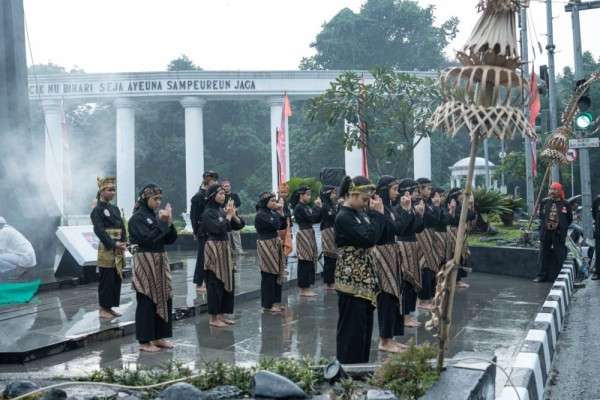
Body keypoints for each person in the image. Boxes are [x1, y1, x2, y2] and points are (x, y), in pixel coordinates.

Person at [335, 176, 385, 364]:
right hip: (351, 280)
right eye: (364, 199)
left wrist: (376, 217)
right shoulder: (344, 216)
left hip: (365, 278)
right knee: (352, 330)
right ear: (352, 194)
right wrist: (377, 216)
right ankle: (348, 370)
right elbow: (368, 239)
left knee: (364, 329)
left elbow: (375, 235)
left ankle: (361, 368)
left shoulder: (359, 214)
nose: (366, 204)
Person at [129, 184, 178, 352]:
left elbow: (169, 239)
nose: (158, 202)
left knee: (164, 296)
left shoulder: (156, 216)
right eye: (154, 199)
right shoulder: (137, 218)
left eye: (159, 199)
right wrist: (162, 224)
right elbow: (148, 239)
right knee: (147, 298)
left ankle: (159, 337)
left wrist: (169, 223)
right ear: (145, 198)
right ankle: (144, 341)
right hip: (145, 260)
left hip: (160, 260)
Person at [371, 176, 411, 353]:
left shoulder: (390, 209)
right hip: (382, 254)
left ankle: (391, 338)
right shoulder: (376, 209)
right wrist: (381, 214)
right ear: (385, 190)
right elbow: (385, 230)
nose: (397, 193)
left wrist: (406, 210)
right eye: (394, 189)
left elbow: (400, 229)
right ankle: (384, 340)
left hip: (393, 252)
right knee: (386, 297)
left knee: (395, 297)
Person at [202, 183, 245, 327]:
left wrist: (233, 216)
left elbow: (237, 226)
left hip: (225, 248)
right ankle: (213, 318)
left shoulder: (221, 210)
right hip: (214, 248)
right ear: (212, 196)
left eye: (223, 194)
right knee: (214, 282)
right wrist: (227, 217)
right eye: (220, 194)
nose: (223, 196)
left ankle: (222, 314)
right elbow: (217, 228)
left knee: (227, 281)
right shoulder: (208, 213)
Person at [90, 176, 127, 319]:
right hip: (107, 248)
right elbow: (99, 230)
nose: (113, 193)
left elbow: (122, 226)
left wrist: (124, 241)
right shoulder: (97, 210)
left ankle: (110, 307)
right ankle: (103, 308)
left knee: (116, 278)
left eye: (114, 190)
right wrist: (113, 244)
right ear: (101, 191)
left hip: (118, 248)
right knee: (106, 279)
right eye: (110, 190)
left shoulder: (114, 208)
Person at [396, 178, 425, 328]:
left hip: (413, 245)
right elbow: (402, 228)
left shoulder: (412, 207)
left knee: (413, 283)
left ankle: (409, 314)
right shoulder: (398, 208)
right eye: (414, 191)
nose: (416, 194)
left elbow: (418, 229)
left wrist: (419, 214)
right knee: (406, 283)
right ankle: (404, 316)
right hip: (402, 245)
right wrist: (408, 211)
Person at [415, 179, 448, 311]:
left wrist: (436, 207)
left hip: (430, 235)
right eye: (427, 188)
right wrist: (435, 207)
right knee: (425, 267)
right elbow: (430, 219)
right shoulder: (418, 203)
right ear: (420, 189)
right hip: (421, 236)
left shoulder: (428, 203)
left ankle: (429, 297)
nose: (429, 191)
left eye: (430, 188)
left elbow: (438, 219)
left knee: (431, 266)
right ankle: (423, 299)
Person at [533, 182, 573, 283]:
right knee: (543, 255)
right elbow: (542, 216)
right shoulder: (545, 202)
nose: (552, 191)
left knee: (560, 255)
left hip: (558, 233)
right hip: (546, 232)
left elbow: (569, 219)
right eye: (551, 189)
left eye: (555, 189)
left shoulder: (566, 204)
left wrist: (562, 227)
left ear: (560, 191)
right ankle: (541, 276)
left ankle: (561, 277)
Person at [255, 191, 287, 313]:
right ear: (265, 202)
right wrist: (278, 216)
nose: (275, 203)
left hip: (275, 243)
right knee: (269, 274)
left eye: (275, 200)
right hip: (266, 244)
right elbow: (276, 225)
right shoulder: (261, 215)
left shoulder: (272, 213)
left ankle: (276, 301)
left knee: (278, 273)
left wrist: (281, 212)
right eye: (272, 201)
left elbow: (282, 225)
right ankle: (268, 304)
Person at [190, 170, 219, 293]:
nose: (215, 182)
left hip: (213, 230)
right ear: (208, 180)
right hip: (203, 231)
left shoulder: (212, 195)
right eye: (213, 180)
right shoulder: (198, 197)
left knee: (210, 257)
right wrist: (196, 231)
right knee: (202, 257)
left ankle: (209, 281)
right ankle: (198, 282)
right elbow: (194, 216)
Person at [292, 185, 322, 297]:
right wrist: (317, 207)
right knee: (304, 260)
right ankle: (303, 288)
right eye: (308, 195)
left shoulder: (306, 206)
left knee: (310, 260)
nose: (309, 197)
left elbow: (316, 219)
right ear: (301, 195)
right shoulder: (299, 207)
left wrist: (318, 209)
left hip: (309, 232)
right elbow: (311, 218)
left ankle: (307, 287)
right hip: (304, 233)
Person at [446, 188, 476, 289]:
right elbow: (470, 215)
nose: (463, 196)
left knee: (461, 256)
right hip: (455, 233)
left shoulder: (460, 206)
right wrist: (470, 204)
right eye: (461, 194)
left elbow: (472, 216)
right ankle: (455, 280)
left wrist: (471, 204)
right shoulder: (455, 207)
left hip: (460, 233)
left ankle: (457, 280)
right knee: (456, 255)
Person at [319, 185, 338, 289]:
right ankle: (328, 282)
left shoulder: (332, 205)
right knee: (329, 256)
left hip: (333, 230)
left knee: (334, 256)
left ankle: (332, 280)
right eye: (333, 193)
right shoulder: (325, 206)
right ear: (327, 194)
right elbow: (331, 217)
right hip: (327, 231)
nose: (335, 195)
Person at [223, 179, 245, 255]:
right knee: (228, 236)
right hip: (226, 218)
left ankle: (239, 250)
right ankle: (229, 251)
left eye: (228, 186)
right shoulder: (222, 196)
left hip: (235, 217)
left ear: (230, 186)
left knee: (236, 235)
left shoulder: (235, 195)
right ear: (223, 187)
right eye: (225, 186)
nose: (227, 187)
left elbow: (239, 204)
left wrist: (233, 210)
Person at [592, 194, 600, 280]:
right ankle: (598, 273)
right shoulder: (597, 200)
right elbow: (594, 214)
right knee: (598, 253)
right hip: (599, 232)